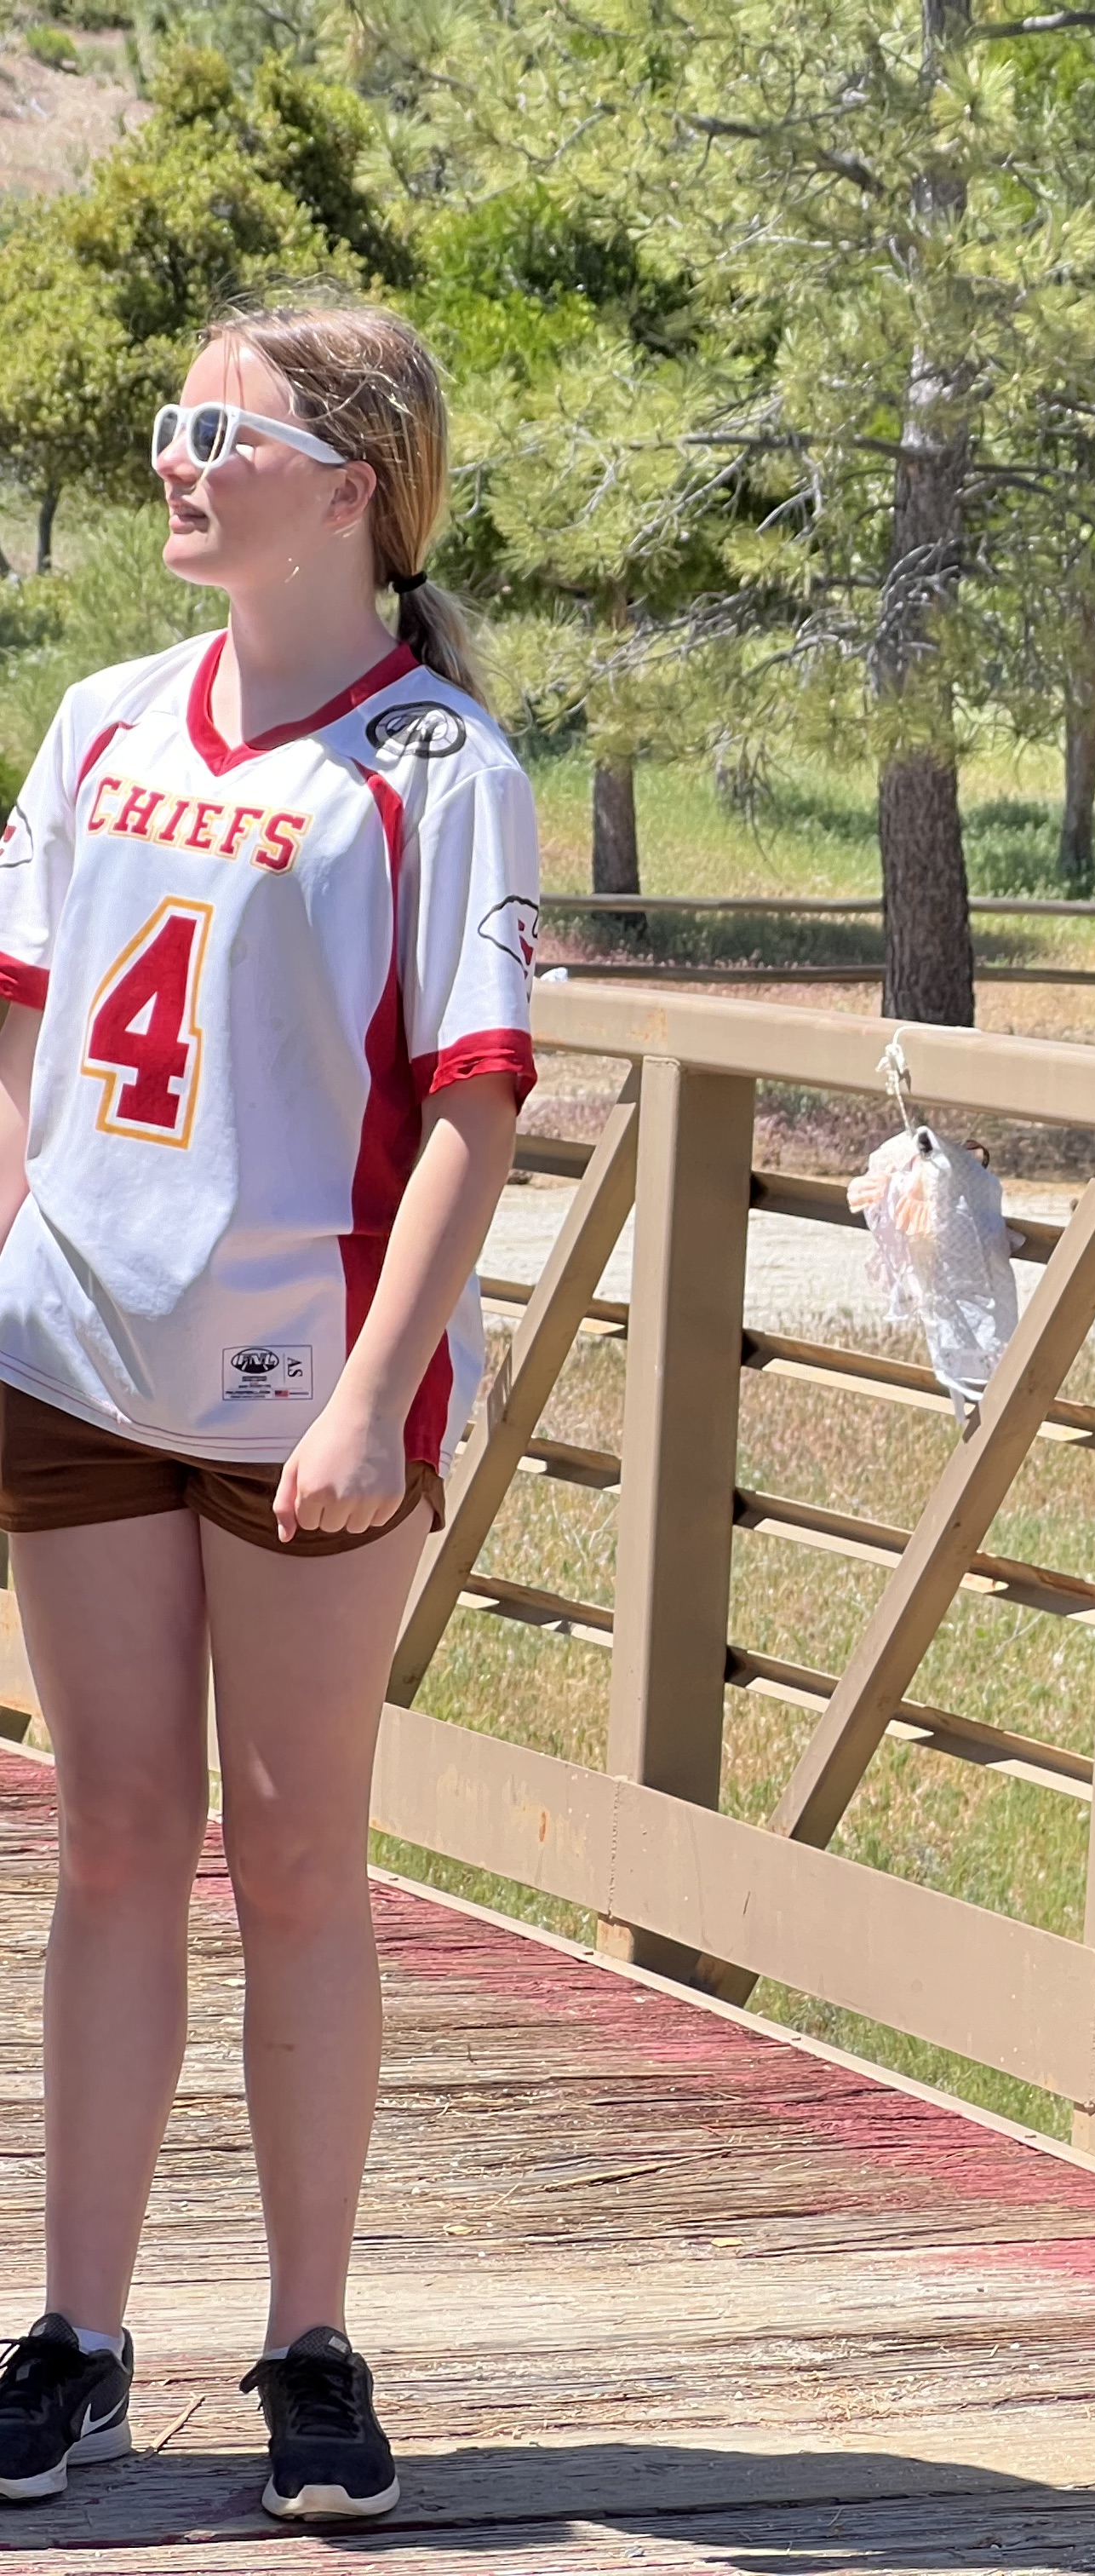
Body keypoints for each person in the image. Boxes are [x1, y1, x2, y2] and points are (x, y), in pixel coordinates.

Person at [0, 297, 536, 2525]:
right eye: (164, 427)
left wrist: (375, 1395)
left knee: (302, 1857)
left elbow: (471, 1118)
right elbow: (22, 1024)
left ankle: (313, 2341)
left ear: (352, 479)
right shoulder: (102, 717)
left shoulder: (432, 775)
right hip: (71, 1371)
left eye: (216, 430)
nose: (174, 463)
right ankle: (75, 2340)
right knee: (114, 1843)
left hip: (301, 1397)